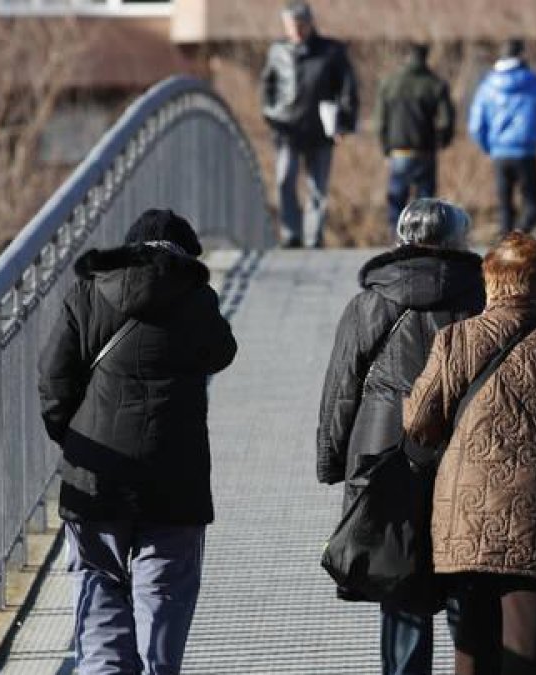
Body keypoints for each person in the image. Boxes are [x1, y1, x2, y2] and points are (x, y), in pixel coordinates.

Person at [403, 233, 536, 675]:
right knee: (527, 657)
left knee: (471, 653)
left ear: (491, 283)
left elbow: (418, 421)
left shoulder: (455, 341)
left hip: (466, 523)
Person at [38, 209, 237, 675]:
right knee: (163, 596)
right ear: (186, 255)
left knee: (98, 583)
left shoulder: (88, 293)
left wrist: (70, 438)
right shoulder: (197, 299)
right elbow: (223, 352)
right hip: (175, 478)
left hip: (97, 474)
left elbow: (53, 378)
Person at [317, 198, 485, 675]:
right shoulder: (481, 297)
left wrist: (332, 460)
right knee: (463, 575)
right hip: (463, 446)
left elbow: (341, 388)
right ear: (459, 239)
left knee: (401, 578)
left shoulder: (371, 302)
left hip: (384, 448)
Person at [261, 1, 359, 249]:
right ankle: (291, 234)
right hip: (286, 129)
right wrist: (271, 115)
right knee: (285, 180)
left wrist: (343, 124)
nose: (294, 31)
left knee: (317, 187)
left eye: (298, 26)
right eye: (289, 26)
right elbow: (267, 87)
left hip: (320, 129)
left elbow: (348, 89)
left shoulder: (331, 51)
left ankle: (313, 237)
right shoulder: (277, 51)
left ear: (309, 24)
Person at [468, 39, 536, 236]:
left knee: (505, 209)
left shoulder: (487, 86)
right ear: (522, 55)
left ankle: (506, 250)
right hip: (526, 153)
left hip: (500, 155)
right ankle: (518, 240)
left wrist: (489, 148)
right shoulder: (535, 83)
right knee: (532, 207)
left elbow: (476, 126)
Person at [375, 42, 456, 233]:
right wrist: (443, 141)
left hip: (399, 150)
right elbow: (447, 119)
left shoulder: (389, 83)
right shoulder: (435, 83)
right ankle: (425, 239)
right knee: (426, 203)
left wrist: (385, 148)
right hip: (426, 149)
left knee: (397, 198)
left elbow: (380, 121)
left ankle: (396, 237)